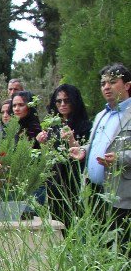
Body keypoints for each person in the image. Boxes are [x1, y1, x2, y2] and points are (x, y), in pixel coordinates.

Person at [70, 63, 131, 244]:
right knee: (97, 246)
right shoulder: (100, 115)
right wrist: (83, 150)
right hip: (94, 193)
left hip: (121, 196)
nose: (106, 87)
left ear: (127, 85)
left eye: (112, 82)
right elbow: (96, 144)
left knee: (121, 250)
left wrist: (120, 158)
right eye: (103, 83)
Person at [38, 84, 91, 222]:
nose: (62, 104)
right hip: (55, 181)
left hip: (76, 180)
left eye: (67, 101)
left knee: (77, 220)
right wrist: (42, 142)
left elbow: (87, 154)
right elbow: (49, 155)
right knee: (57, 221)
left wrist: (72, 140)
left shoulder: (85, 125)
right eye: (59, 101)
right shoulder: (52, 125)